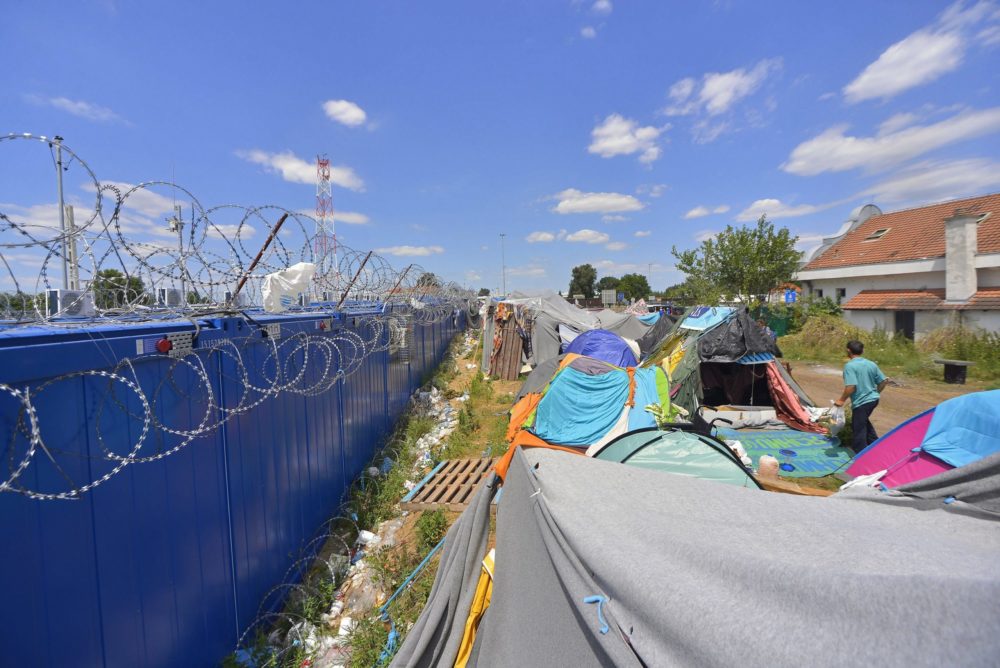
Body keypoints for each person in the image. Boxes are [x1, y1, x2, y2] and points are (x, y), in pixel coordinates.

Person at [834, 340, 889, 453]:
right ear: (862, 350)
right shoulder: (871, 364)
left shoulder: (850, 366)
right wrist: (876, 393)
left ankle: (860, 453)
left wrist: (841, 400)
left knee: (858, 429)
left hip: (862, 402)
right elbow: (884, 381)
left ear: (848, 350)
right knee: (863, 423)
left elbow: (851, 387)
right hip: (873, 399)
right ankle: (876, 445)